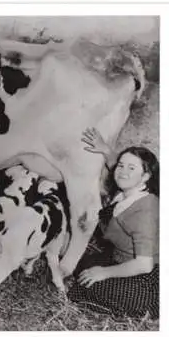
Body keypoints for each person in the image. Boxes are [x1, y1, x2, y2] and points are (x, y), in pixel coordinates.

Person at [66, 127, 159, 319]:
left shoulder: (144, 210)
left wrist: (105, 273)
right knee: (79, 264)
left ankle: (147, 305)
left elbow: (144, 264)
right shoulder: (128, 191)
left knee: (88, 287)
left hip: (147, 274)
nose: (122, 172)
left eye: (131, 168)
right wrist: (104, 149)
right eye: (121, 165)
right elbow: (116, 164)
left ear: (146, 176)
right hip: (119, 257)